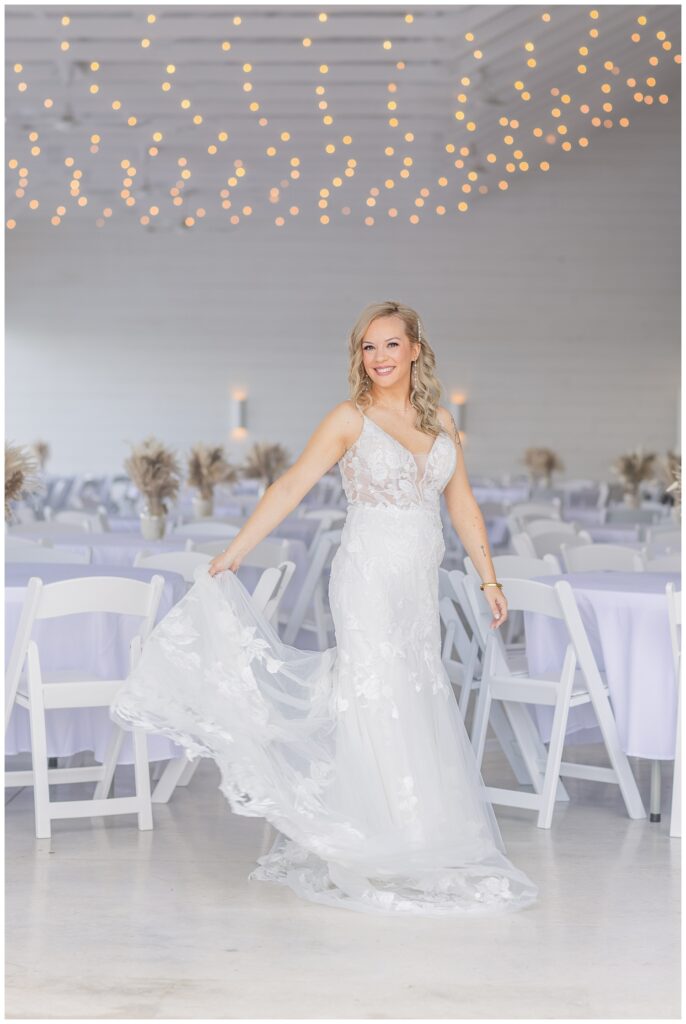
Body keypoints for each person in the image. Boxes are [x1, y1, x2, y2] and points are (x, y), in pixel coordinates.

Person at [111, 300, 539, 917]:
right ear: (358, 356)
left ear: (416, 349)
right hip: (365, 575)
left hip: (417, 583)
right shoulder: (349, 419)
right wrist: (235, 552)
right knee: (374, 690)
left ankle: (422, 833)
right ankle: (374, 838)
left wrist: (489, 580)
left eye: (391, 344)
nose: (380, 357)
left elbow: (464, 504)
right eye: (369, 347)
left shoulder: (442, 421)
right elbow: (289, 485)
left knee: (417, 689)